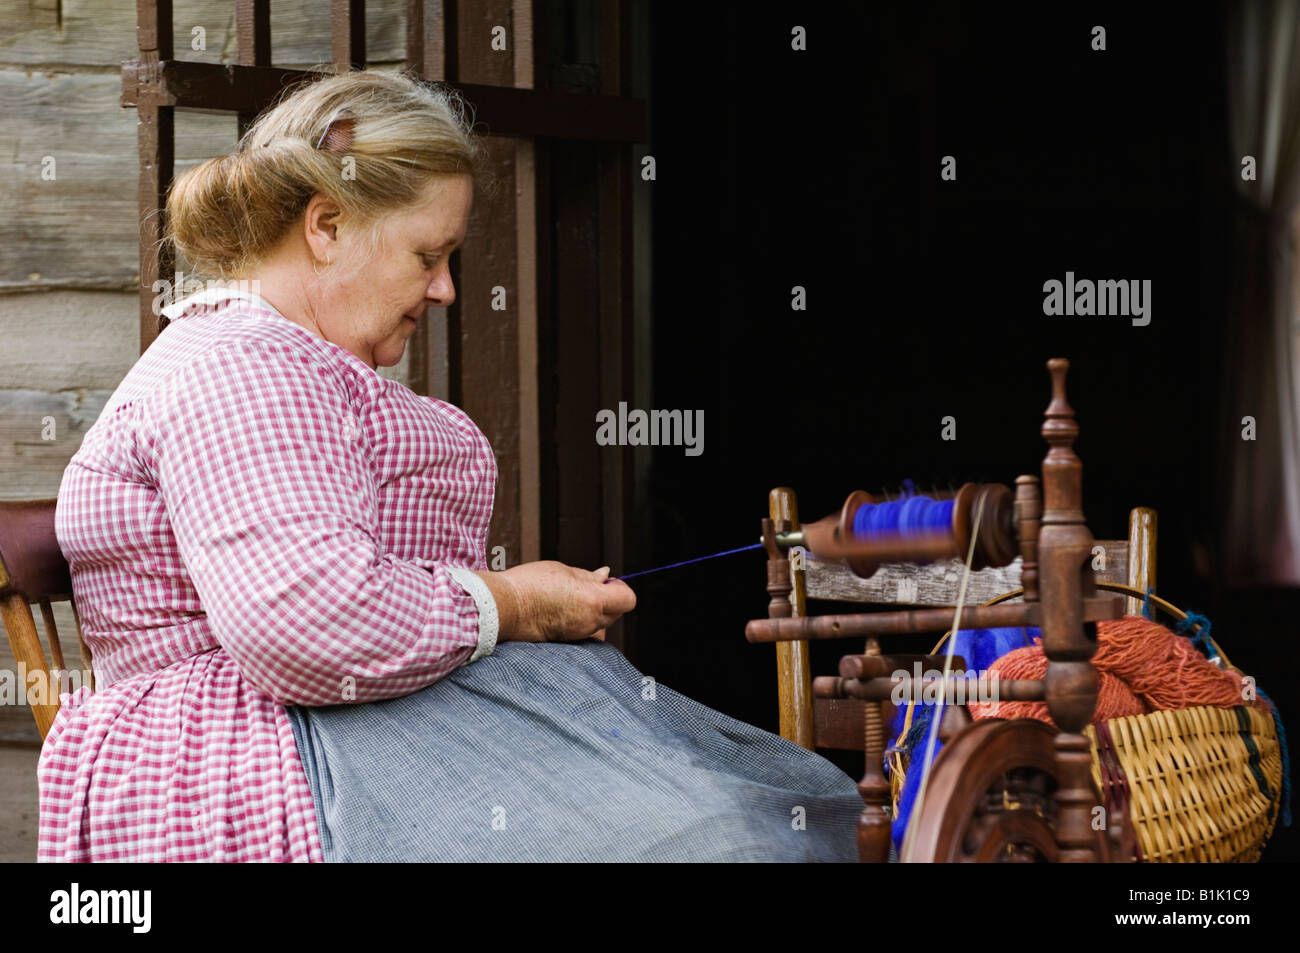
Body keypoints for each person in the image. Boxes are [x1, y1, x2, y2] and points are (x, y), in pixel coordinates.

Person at [41, 69, 864, 862]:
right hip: (274, 758)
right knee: (717, 838)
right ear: (325, 226)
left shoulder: (285, 363)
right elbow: (304, 622)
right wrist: (511, 602)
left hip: (364, 728)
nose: (446, 291)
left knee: (757, 806)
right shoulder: (242, 369)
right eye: (427, 255)